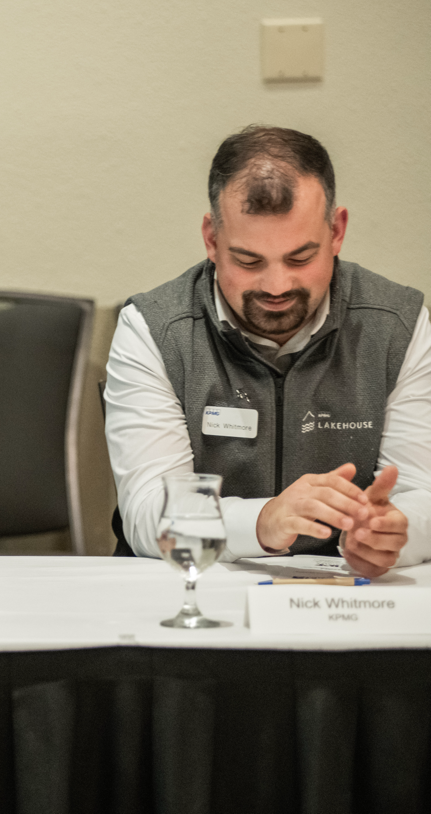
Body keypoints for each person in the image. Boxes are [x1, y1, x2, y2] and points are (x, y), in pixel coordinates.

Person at [105, 125, 431, 578]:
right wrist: (262, 521)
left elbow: (423, 492)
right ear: (211, 240)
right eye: (248, 261)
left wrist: (393, 533)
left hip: (345, 594)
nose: (276, 287)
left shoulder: (398, 324)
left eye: (300, 258)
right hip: (193, 596)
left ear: (336, 232)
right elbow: (147, 510)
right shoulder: (153, 327)